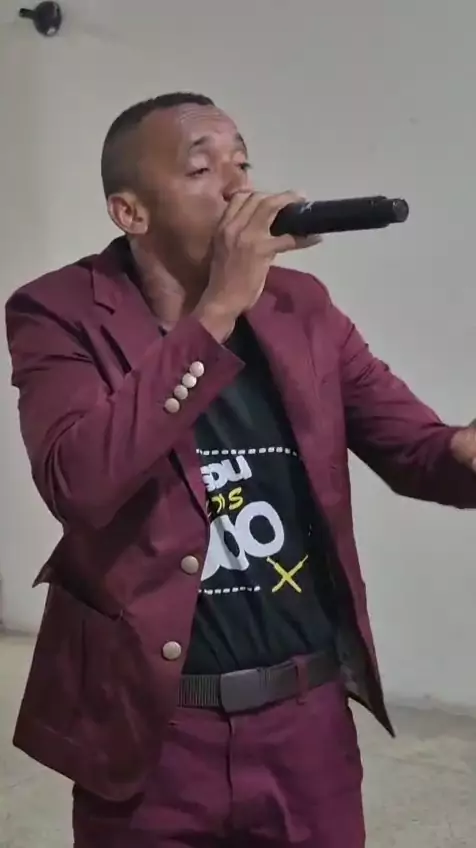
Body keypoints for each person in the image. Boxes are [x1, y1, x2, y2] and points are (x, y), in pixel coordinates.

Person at [5, 91, 476, 848]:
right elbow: (78, 482)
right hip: (150, 733)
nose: (237, 189)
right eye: (202, 169)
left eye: (243, 164)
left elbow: (418, 452)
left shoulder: (302, 309)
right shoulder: (59, 311)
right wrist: (217, 310)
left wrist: (461, 452)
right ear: (130, 212)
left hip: (305, 726)